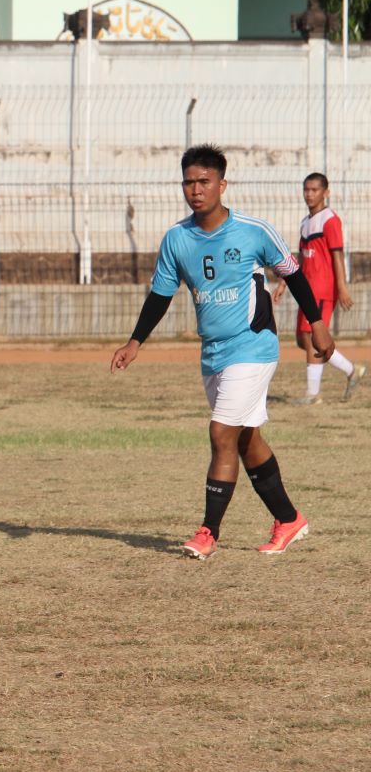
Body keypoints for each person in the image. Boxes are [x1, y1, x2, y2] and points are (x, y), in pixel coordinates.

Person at [111, 145, 334, 561]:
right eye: (189, 182)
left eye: (204, 182)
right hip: (213, 354)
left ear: (221, 184)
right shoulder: (177, 239)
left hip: (254, 347)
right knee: (246, 440)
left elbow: (294, 275)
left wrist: (317, 323)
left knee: (220, 433)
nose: (195, 190)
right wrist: (135, 341)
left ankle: (208, 532)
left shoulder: (253, 231)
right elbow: (160, 295)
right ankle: (289, 519)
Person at [271, 172, 365, 404]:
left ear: (326, 192)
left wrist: (341, 287)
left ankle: (313, 395)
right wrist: (284, 281)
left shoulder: (330, 220)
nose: (309, 194)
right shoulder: (305, 222)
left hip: (323, 288)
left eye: (314, 190)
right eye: (306, 190)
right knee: (302, 339)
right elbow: (301, 258)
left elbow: (337, 255)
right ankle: (351, 370)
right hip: (307, 288)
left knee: (313, 337)